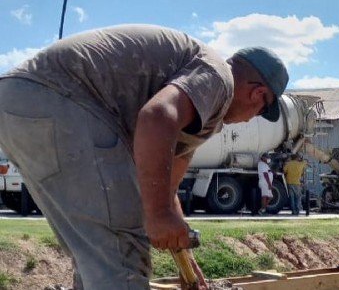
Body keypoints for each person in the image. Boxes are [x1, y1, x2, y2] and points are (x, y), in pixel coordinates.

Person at [0, 24, 289, 290]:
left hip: (21, 102)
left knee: (98, 253)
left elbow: (167, 185)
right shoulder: (217, 78)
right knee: (120, 250)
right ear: (257, 94)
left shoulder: (201, 101)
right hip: (59, 98)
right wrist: (158, 214)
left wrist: (183, 254)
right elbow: (157, 116)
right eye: (262, 111)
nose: (253, 119)